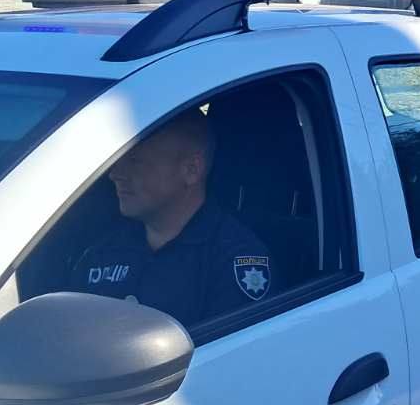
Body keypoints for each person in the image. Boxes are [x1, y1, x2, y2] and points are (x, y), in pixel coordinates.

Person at [70, 110, 273, 328]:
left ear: (191, 169)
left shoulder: (231, 259)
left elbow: (232, 347)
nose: (115, 174)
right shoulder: (101, 253)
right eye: (118, 160)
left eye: (136, 161)